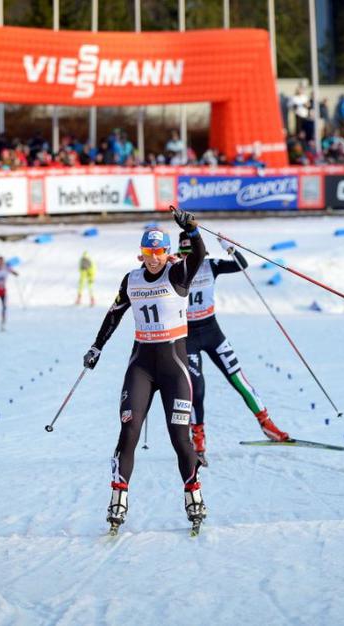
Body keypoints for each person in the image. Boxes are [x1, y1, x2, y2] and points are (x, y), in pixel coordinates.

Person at [82, 209, 206, 532]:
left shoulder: (178, 274)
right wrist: (97, 346)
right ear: (141, 253)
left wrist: (192, 231)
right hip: (142, 368)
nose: (154, 259)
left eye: (159, 253)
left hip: (175, 370)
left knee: (180, 437)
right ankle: (118, 497)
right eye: (149, 253)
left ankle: (193, 493)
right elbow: (114, 315)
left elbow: (200, 256)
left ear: (168, 253)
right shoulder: (131, 280)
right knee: (128, 431)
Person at [177, 233, 290, 467]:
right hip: (187, 338)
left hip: (212, 332)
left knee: (239, 380)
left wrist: (228, 245)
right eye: (185, 255)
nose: (191, 260)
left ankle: (267, 425)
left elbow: (242, 265)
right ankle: (198, 442)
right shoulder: (175, 270)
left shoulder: (212, 265)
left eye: (193, 255)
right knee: (197, 390)